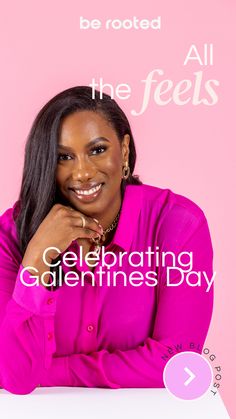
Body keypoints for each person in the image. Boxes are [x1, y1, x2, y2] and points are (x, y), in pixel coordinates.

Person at [0, 86, 213, 395]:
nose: (83, 172)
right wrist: (37, 258)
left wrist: (48, 370)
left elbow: (177, 363)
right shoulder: (12, 234)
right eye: (64, 157)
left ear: (124, 151)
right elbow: (15, 376)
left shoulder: (178, 224)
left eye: (97, 150)